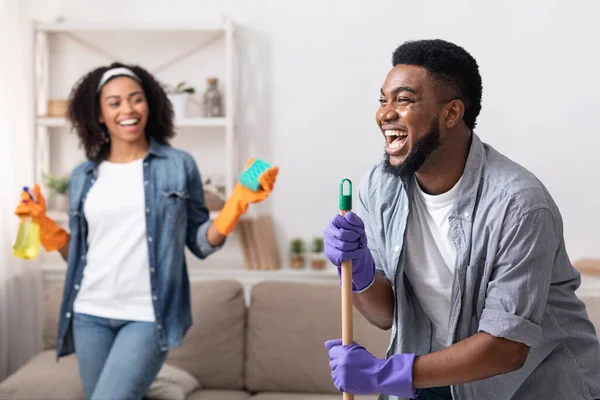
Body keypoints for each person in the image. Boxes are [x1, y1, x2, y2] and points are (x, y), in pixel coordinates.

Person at [323, 39, 600, 400]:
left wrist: (382, 374)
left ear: (451, 114)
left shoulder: (519, 205)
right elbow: (386, 315)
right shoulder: (380, 186)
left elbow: (506, 348)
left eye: (403, 100)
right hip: (434, 377)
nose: (385, 114)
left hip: (531, 384)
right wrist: (357, 271)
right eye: (382, 100)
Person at [14, 62, 278, 400]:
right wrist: (45, 227)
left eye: (136, 99)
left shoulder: (178, 165)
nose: (127, 109)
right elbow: (79, 255)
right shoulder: (83, 175)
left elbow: (200, 243)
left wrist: (236, 204)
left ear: (149, 104)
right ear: (98, 114)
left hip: (147, 315)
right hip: (89, 313)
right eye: (115, 102)